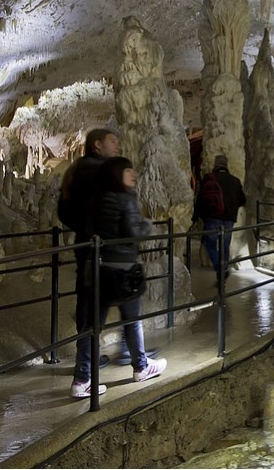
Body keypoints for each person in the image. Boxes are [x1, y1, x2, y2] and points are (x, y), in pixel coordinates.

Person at [70, 156, 167, 397]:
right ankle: (141, 367)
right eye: (128, 171)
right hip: (122, 270)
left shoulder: (95, 201)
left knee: (92, 326)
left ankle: (82, 379)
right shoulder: (126, 199)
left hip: (98, 269)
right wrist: (146, 225)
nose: (133, 174)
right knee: (132, 320)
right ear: (117, 174)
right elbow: (133, 233)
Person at [58, 128, 120, 394]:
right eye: (112, 141)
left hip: (84, 244)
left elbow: (63, 210)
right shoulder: (101, 173)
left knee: (87, 303)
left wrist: (83, 230)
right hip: (101, 247)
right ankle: (83, 377)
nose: (117, 145)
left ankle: (90, 360)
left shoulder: (74, 170)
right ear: (97, 145)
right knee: (96, 308)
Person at [196, 154, 246, 278]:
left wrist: (200, 215)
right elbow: (243, 200)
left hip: (213, 217)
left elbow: (200, 199)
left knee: (210, 243)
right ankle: (224, 267)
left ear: (215, 165)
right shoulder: (235, 180)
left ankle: (219, 268)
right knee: (225, 244)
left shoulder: (209, 178)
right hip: (229, 218)